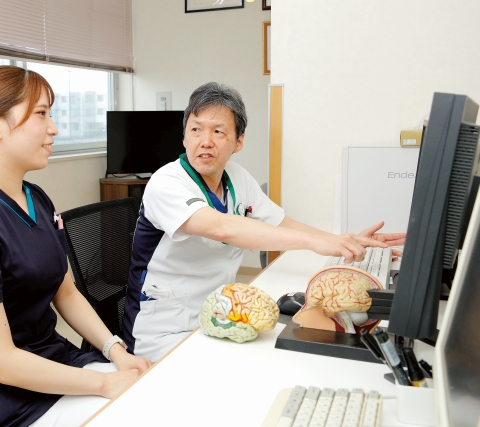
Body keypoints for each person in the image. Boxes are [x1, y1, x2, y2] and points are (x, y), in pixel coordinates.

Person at [0, 66, 151, 427]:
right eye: (41, 114)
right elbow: (0, 363)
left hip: (53, 359)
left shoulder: (35, 198)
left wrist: (115, 351)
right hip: (2, 396)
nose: (54, 128)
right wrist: (105, 383)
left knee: (152, 391)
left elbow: (65, 291)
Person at [122, 82, 405, 362]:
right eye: (196, 129)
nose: (205, 141)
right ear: (184, 137)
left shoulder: (237, 177)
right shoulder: (166, 182)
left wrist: (341, 241)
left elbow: (281, 223)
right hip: (162, 329)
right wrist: (317, 243)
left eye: (218, 131)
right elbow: (221, 227)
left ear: (238, 141)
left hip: (218, 315)